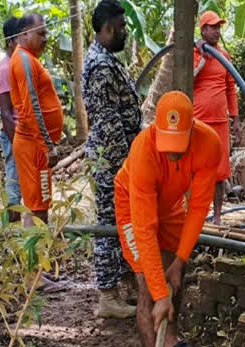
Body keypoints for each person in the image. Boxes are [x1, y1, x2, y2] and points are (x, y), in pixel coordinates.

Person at [114, 91, 218, 347]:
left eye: (179, 147)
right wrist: (160, 294)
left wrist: (180, 260)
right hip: (133, 206)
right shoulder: (143, 150)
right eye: (167, 147)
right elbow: (144, 230)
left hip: (172, 205)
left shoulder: (209, 143)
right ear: (156, 129)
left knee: (175, 272)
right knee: (149, 286)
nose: (173, 156)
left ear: (191, 130)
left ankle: (170, 344)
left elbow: (200, 206)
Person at [82, 0, 140, 319]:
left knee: (122, 224)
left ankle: (126, 283)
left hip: (117, 159)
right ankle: (107, 295)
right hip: (111, 161)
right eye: (121, 26)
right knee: (107, 226)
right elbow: (107, 121)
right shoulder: (101, 66)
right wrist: (126, 164)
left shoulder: (107, 60)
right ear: (107, 28)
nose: (125, 32)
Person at [9, 13, 63, 225]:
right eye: (41, 34)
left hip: (36, 147)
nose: (45, 38)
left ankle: (40, 252)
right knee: (37, 206)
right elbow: (31, 107)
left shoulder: (28, 59)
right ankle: (35, 254)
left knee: (39, 203)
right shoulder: (23, 60)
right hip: (33, 147)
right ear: (25, 33)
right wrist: (47, 146)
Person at [193, 10, 241, 225]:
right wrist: (202, 56)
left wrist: (235, 119)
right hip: (197, 122)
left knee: (220, 172)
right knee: (195, 170)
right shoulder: (193, 55)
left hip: (220, 122)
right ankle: (196, 215)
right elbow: (186, 80)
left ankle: (218, 217)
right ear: (203, 29)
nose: (216, 31)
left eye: (218, 27)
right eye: (212, 27)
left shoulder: (224, 56)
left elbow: (231, 88)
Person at [0, 16, 22, 223]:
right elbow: (6, 112)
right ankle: (11, 231)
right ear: (10, 41)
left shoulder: (17, 64)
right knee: (14, 186)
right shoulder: (5, 69)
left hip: (22, 134)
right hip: (13, 134)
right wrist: (17, 143)